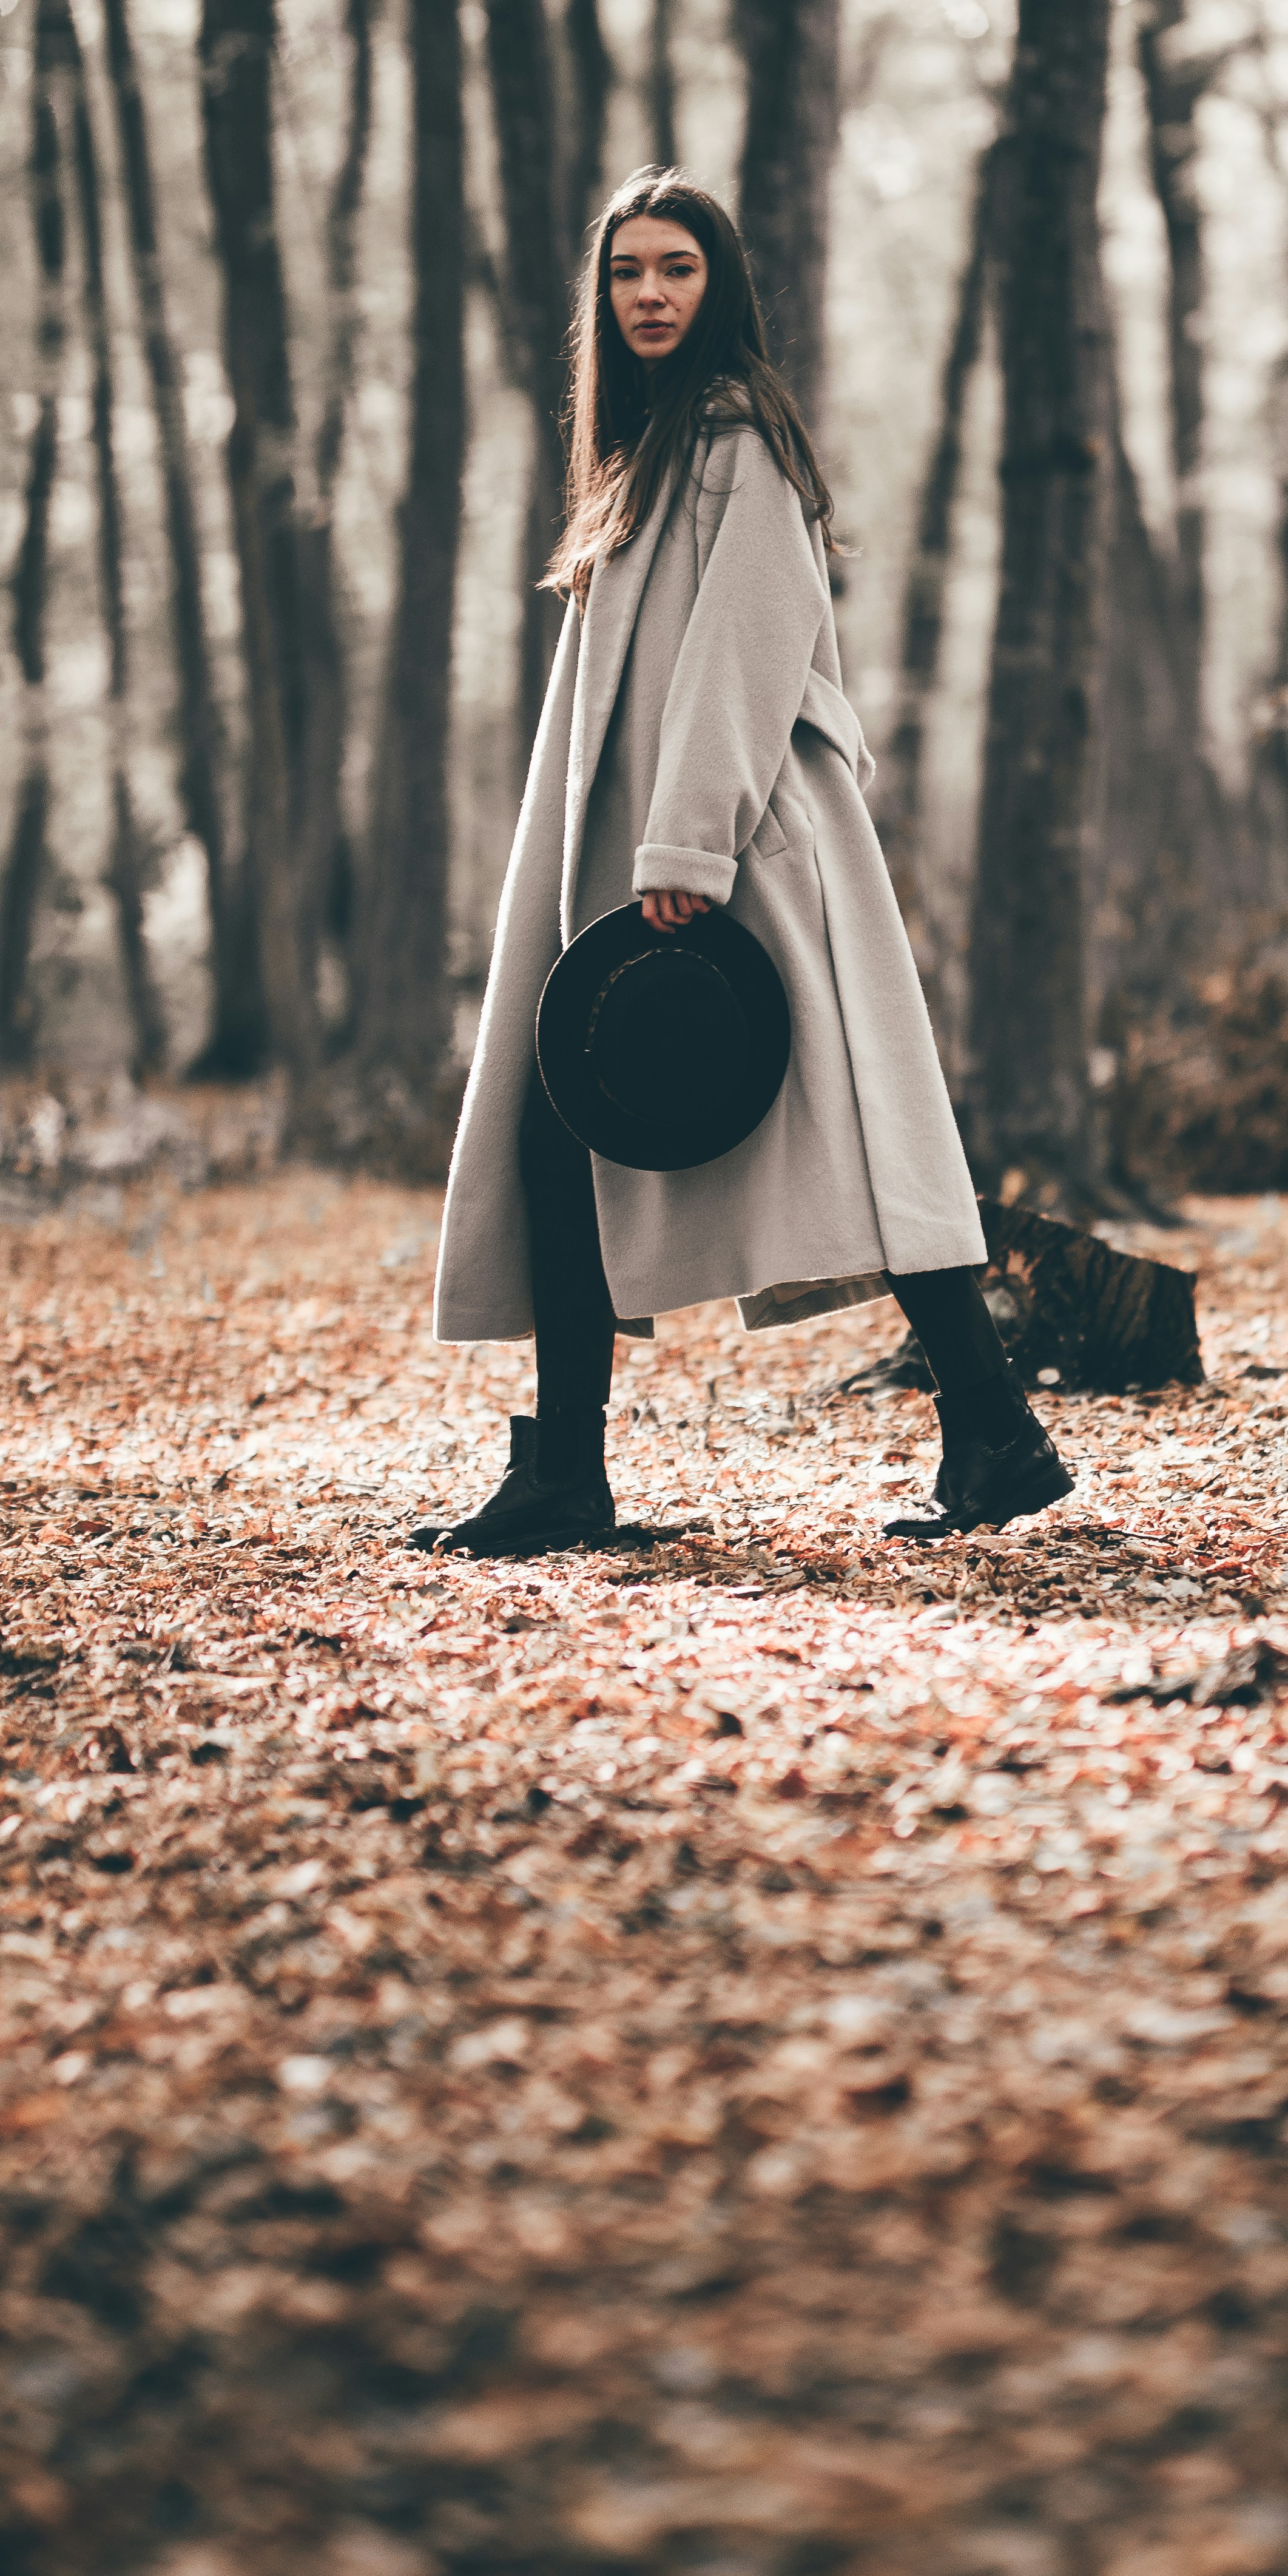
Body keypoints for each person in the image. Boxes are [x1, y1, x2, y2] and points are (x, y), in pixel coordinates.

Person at [420, 166, 1073, 1557]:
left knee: (866, 1134)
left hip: (740, 848)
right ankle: (575, 1469)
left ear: (720, 290)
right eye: (628, 273)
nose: (651, 295)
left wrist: (689, 843)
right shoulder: (641, 454)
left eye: (678, 271)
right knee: (566, 1135)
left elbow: (748, 646)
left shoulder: (737, 437)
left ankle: (991, 1430)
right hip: (640, 850)